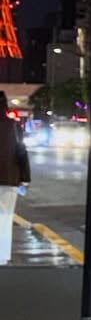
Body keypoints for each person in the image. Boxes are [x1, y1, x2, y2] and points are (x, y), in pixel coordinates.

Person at [0, 92, 30, 266]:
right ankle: (2, 256)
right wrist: (25, 178)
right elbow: (21, 153)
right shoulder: (14, 126)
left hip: (9, 179)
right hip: (9, 178)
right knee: (5, 217)